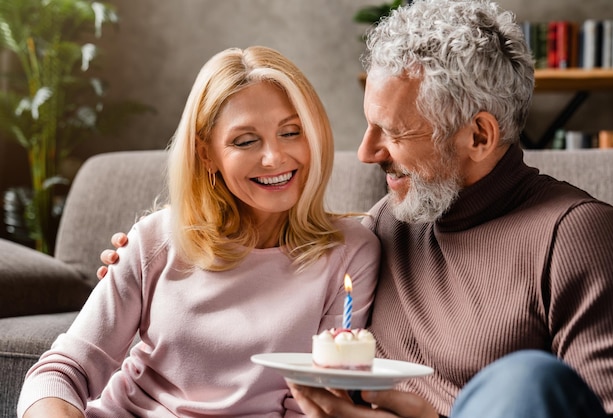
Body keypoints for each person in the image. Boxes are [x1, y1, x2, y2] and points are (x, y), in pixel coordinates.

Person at [97, 1, 613, 417]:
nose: (367, 152)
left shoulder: (580, 238)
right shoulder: (384, 230)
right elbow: (275, 263)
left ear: (480, 135)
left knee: (526, 379)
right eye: (369, 125)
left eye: (393, 132)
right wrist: (152, 260)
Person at [17, 46, 380, 418]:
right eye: (245, 140)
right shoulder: (156, 239)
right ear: (206, 154)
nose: (275, 157)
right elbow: (62, 372)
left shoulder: (351, 253)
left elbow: (313, 406)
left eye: (291, 132)